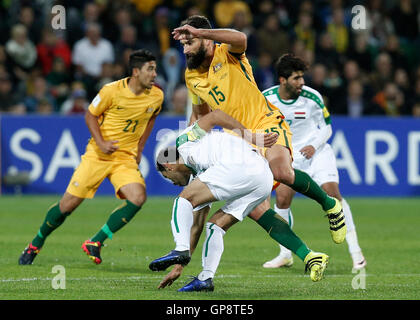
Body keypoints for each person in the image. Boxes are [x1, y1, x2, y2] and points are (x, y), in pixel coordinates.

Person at [171, 15, 346, 245]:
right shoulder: (191, 76)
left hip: (264, 121)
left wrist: (202, 32)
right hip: (238, 139)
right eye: (183, 44)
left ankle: (329, 204)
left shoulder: (228, 53)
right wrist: (194, 143)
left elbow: (241, 37)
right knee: (256, 207)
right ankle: (308, 256)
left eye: (190, 43)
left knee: (282, 172)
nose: (185, 51)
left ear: (205, 40)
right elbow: (200, 114)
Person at [150, 110, 329, 292]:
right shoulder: (202, 173)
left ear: (168, 165)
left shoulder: (184, 142)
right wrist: (179, 266)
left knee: (182, 200)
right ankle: (205, 278)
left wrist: (251, 136)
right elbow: (196, 225)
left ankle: (179, 248)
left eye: (168, 177)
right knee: (215, 226)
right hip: (261, 175)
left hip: (238, 165)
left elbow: (215, 116)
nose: (172, 182)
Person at [18, 49, 163, 265]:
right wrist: (102, 143)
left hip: (124, 158)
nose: (154, 74)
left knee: (138, 198)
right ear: (135, 71)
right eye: (150, 69)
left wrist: (140, 149)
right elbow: (90, 115)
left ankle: (96, 241)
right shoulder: (111, 91)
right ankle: (35, 243)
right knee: (67, 206)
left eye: (155, 69)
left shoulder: (157, 95)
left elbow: (151, 118)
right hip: (97, 155)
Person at [261, 54, 366, 270]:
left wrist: (314, 146)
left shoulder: (312, 97)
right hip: (288, 155)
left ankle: (357, 254)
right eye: (296, 78)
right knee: (281, 199)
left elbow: (327, 127)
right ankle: (285, 254)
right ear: (282, 80)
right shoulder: (265, 98)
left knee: (333, 195)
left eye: (302, 77)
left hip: (316, 153)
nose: (302, 82)